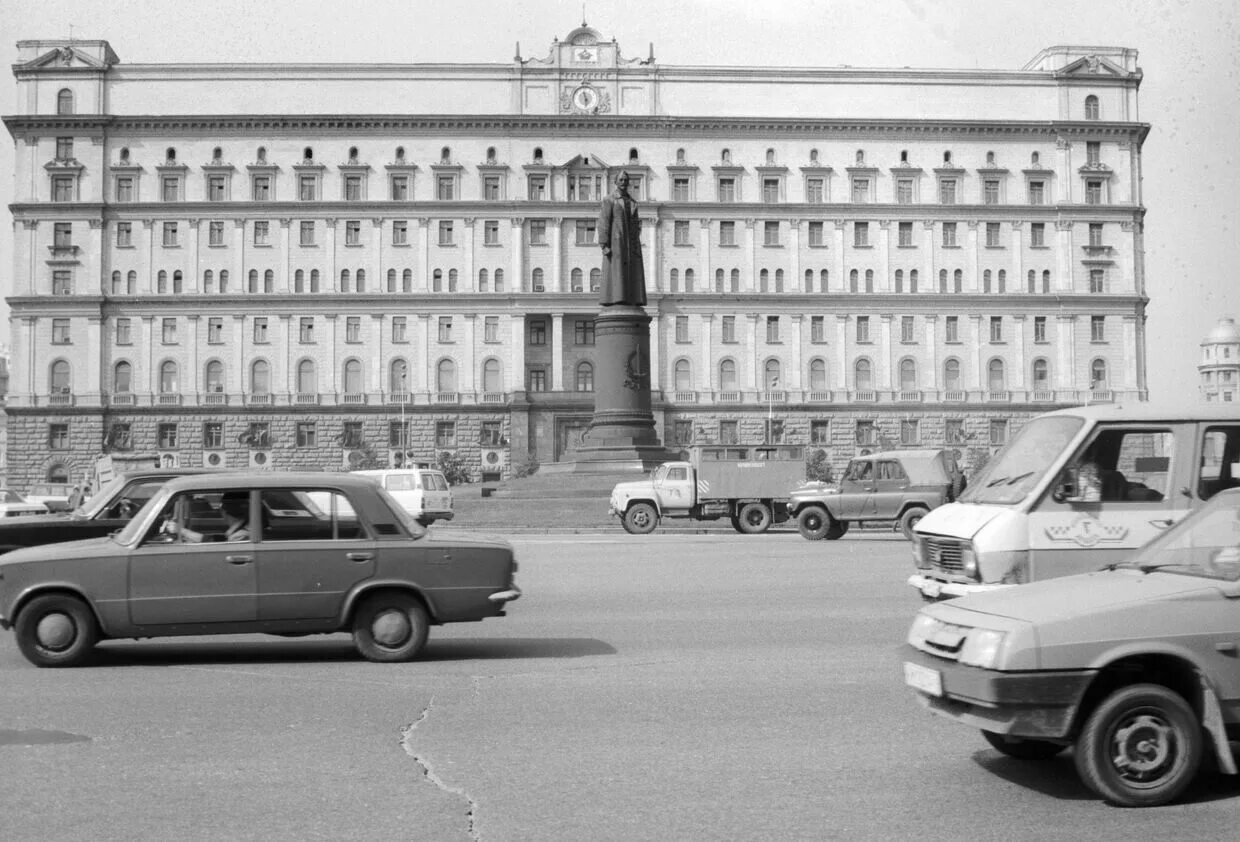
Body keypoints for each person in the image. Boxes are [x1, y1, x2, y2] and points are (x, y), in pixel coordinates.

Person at [597, 171, 646, 307]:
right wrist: (604, 244)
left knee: (631, 272)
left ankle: (632, 299)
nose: (624, 182)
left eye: (626, 180)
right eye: (621, 180)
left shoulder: (633, 202)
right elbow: (603, 222)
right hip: (616, 242)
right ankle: (617, 299)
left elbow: (636, 225)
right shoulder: (609, 199)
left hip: (632, 244)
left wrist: (637, 243)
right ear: (616, 182)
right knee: (617, 272)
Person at [165, 492, 251, 543]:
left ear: (223, 512)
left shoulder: (240, 536)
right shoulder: (240, 529)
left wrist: (181, 530)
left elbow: (213, 545)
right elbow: (216, 539)